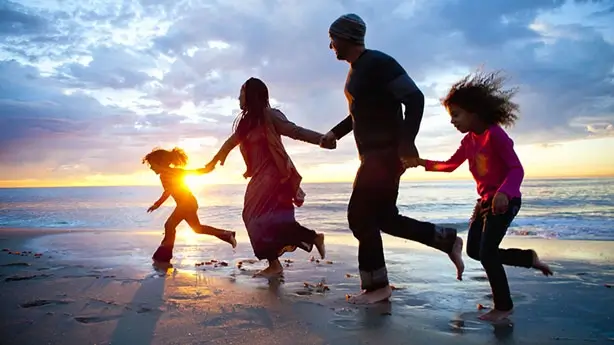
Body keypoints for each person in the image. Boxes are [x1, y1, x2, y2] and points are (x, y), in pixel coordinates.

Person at [319, 13, 464, 305]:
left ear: (346, 37)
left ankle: (377, 287)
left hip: (384, 154)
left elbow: (415, 97)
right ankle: (446, 239)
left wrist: (407, 142)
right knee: (384, 218)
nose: (330, 45)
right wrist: (336, 132)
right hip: (374, 155)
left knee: (359, 217)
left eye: (332, 39)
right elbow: (360, 114)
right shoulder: (357, 70)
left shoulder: (379, 63)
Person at [416, 70, 553, 322]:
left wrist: (504, 192)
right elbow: (450, 165)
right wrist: (421, 162)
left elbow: (516, 169)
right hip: (484, 202)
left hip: (505, 201)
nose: (452, 121)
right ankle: (526, 258)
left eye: (456, 115)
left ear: (474, 112)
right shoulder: (469, 141)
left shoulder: (495, 135)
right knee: (475, 251)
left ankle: (503, 306)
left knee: (488, 252)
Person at [205, 77, 326, 279]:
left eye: (241, 94)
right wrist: (215, 160)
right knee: (262, 218)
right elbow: (230, 142)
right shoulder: (246, 123)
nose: (238, 99)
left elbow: (295, 131)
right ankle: (308, 240)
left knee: (257, 217)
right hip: (260, 176)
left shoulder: (270, 116)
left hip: (275, 175)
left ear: (251, 95)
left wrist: (322, 139)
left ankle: (279, 260)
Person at [143, 147, 237, 264]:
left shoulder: (174, 172)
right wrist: (157, 204)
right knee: (197, 228)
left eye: (152, 164)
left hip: (186, 203)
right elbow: (168, 191)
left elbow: (195, 172)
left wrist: (210, 166)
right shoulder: (163, 176)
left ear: (160, 163)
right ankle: (227, 234)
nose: (151, 167)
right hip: (187, 203)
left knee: (169, 225)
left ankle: (164, 255)